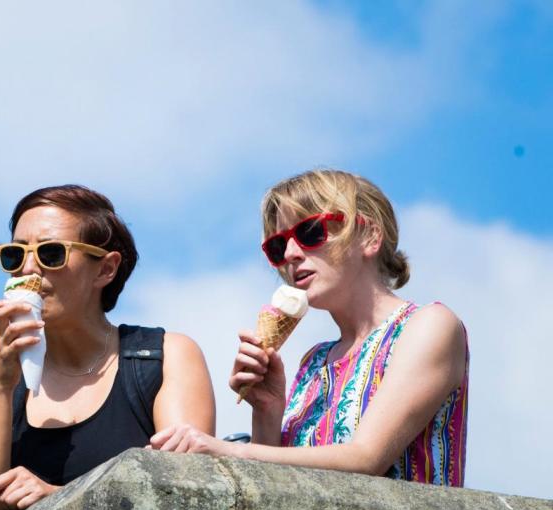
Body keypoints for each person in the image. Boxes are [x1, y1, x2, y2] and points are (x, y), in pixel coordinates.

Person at [151, 169, 468, 486]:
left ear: (369, 236)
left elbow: (366, 457)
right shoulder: (314, 360)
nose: (290, 254)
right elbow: (274, 487)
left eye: (311, 232)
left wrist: (226, 450)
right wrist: (267, 410)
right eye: (277, 246)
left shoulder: (428, 326)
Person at [0, 185, 215, 510]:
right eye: (14, 255)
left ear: (105, 269)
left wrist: (60, 499)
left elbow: (185, 498)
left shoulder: (163, 357)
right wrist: (2, 385)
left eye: (50, 253)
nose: (28, 269)